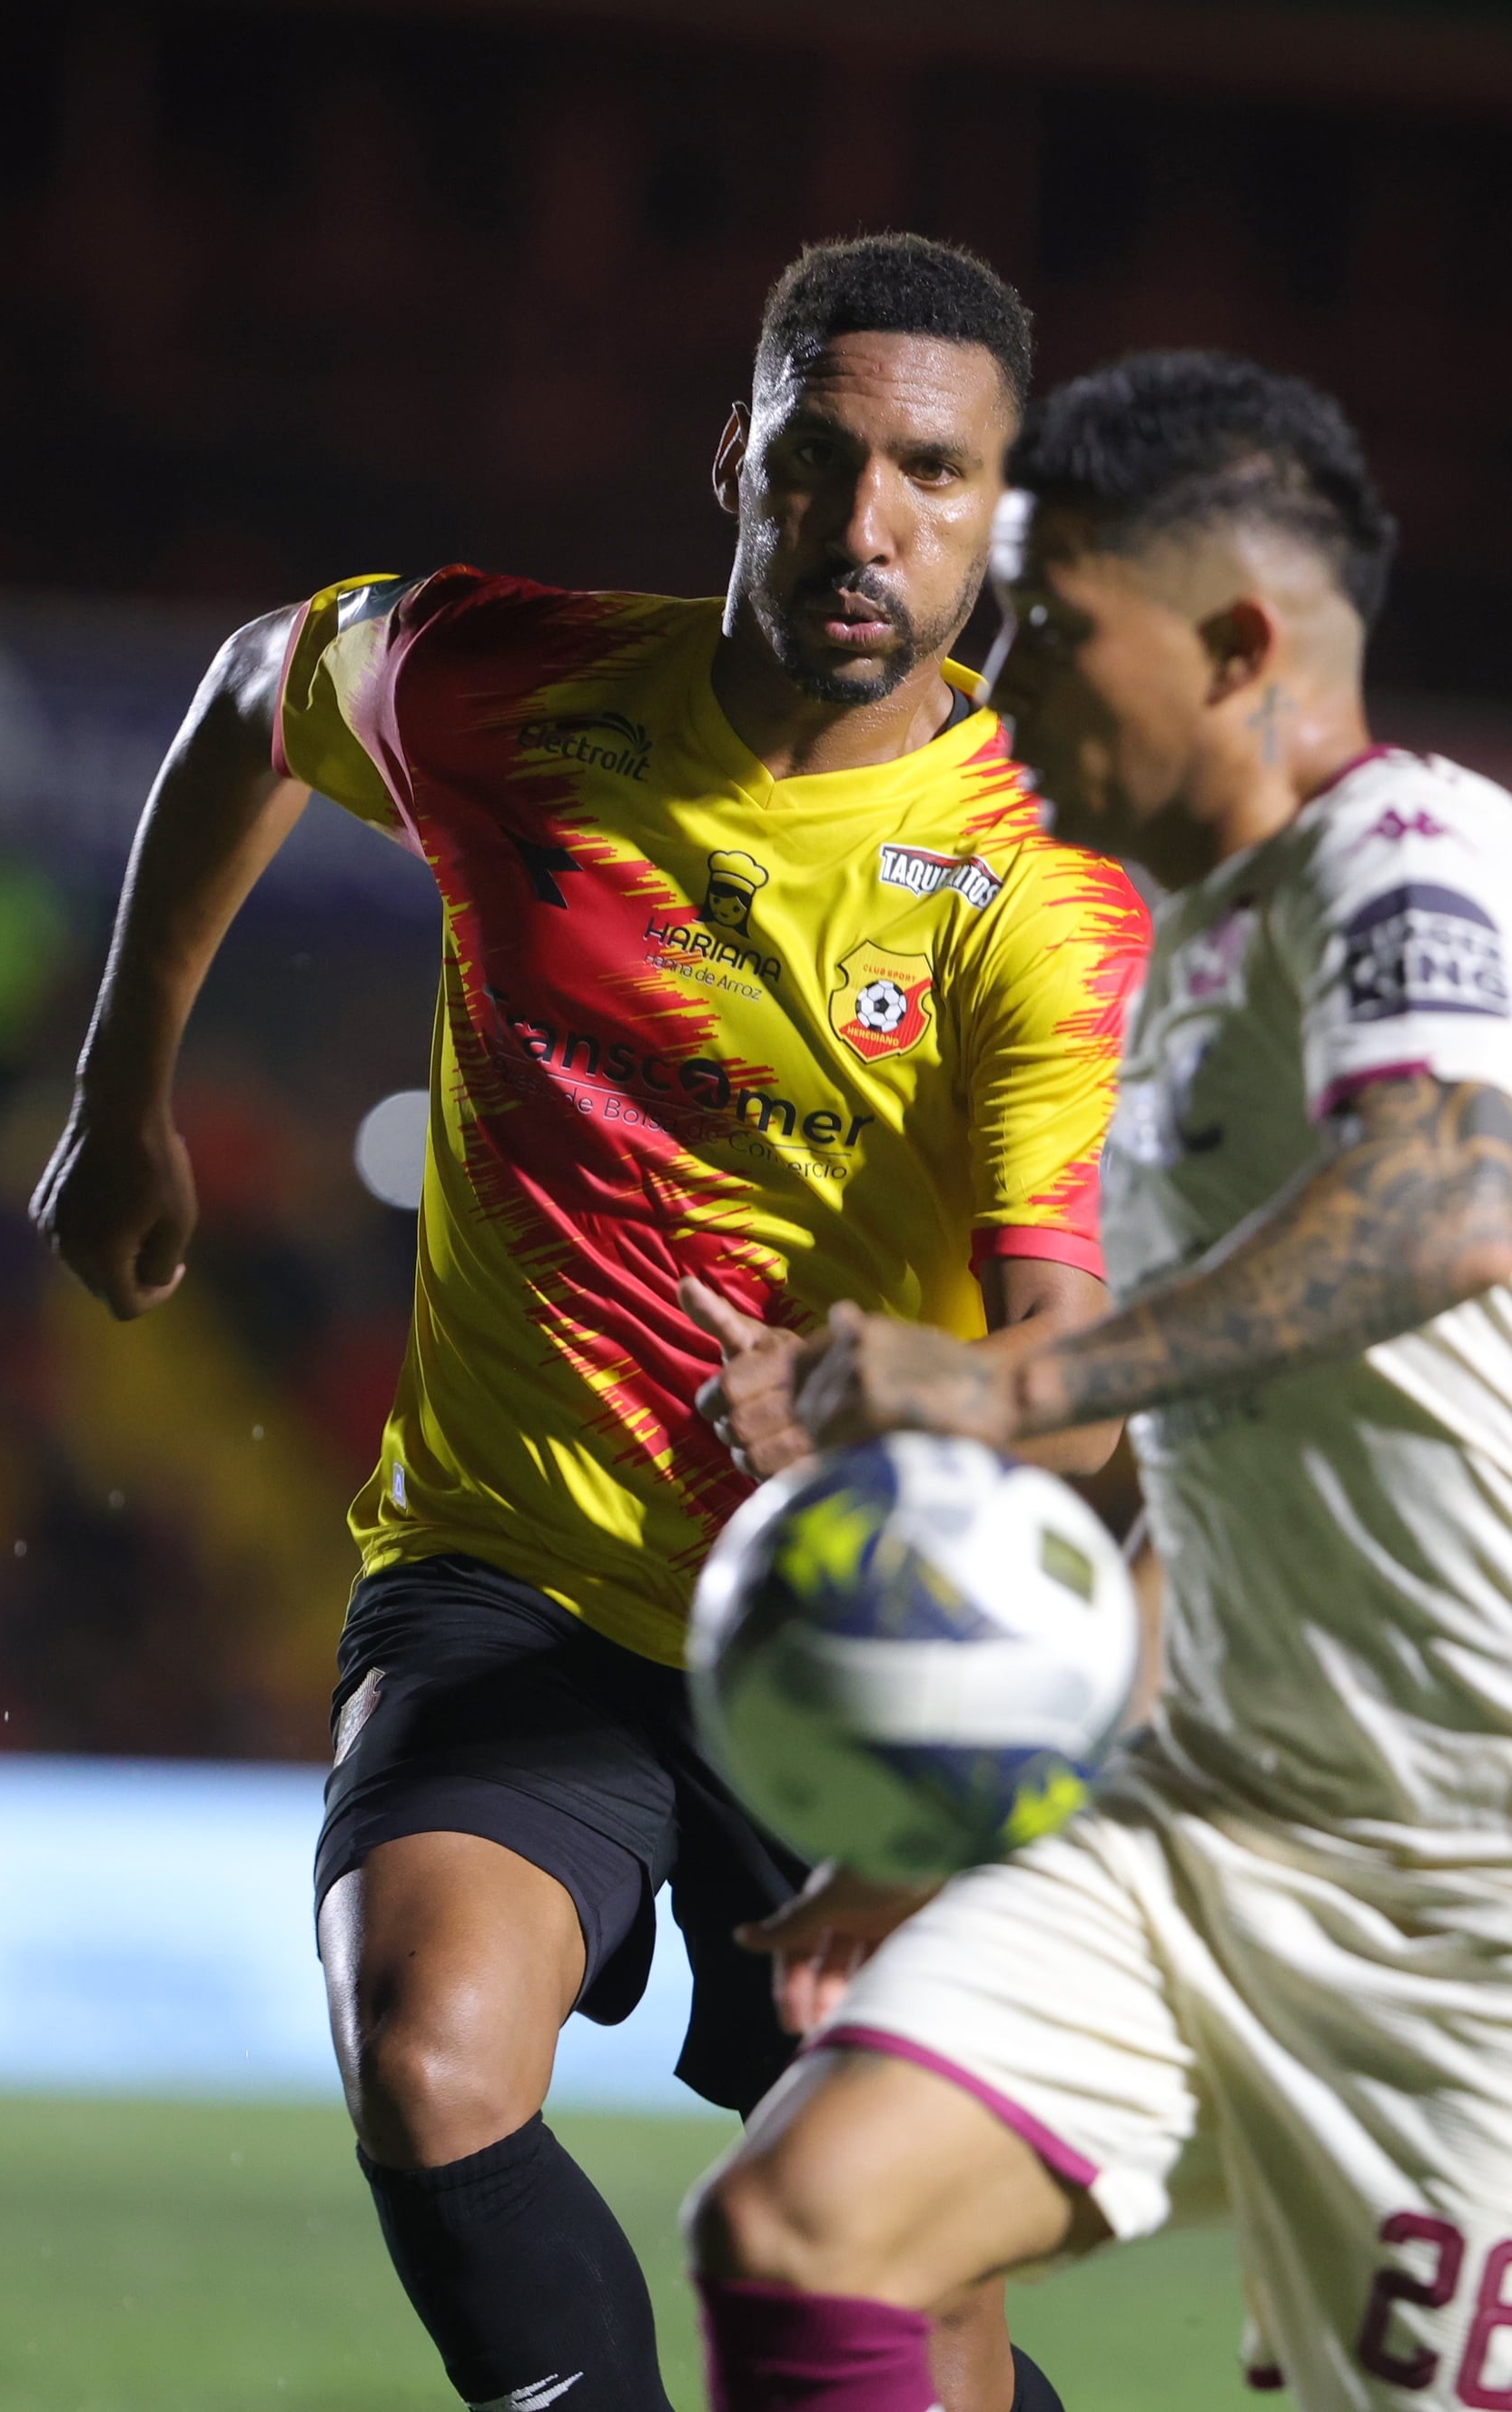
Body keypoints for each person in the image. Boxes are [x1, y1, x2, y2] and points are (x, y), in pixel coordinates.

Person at [30, 233, 1149, 2412]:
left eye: (930, 475)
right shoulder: (505, 685)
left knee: (886, 2296)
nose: (865, 524)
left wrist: (873, 1412)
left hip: (864, 1625)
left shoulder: (1037, 887)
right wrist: (119, 1094)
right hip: (509, 1565)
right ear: (736, 458)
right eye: (821, 461)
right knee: (426, 2043)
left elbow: (1076, 1390)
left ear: (998, 524)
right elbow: (258, 688)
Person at [689, 349, 1512, 2412]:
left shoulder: (1408, 849)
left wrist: (984, 1389)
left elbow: (1451, 1188)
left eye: (1055, 632)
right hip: (1211, 1822)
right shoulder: (1193, 960)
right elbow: (1205, 1464)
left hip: (1468, 1912)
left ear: (1239, 645)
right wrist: (960, 1787)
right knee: (807, 2223)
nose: (1005, 677)